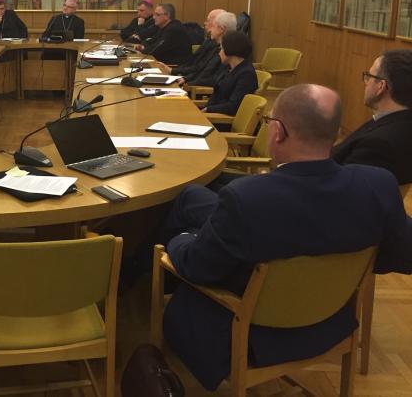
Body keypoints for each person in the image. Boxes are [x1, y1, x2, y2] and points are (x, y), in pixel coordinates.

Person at [155, 84, 412, 391]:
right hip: (331, 322)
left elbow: (197, 267)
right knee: (194, 197)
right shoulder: (379, 185)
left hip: (250, 334)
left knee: (186, 224)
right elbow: (402, 255)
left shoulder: (247, 198)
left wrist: (182, 238)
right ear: (334, 134)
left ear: (277, 132)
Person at [332, 49, 412, 185]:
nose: (366, 82)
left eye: (369, 76)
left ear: (381, 86)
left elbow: (342, 188)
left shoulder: (379, 145)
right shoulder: (396, 122)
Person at [201, 30, 257, 115]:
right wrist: (205, 108)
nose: (219, 53)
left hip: (222, 119)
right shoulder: (228, 68)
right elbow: (217, 93)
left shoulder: (246, 74)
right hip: (213, 113)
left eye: (222, 48)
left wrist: (208, 109)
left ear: (230, 49)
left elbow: (233, 106)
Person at [165, 8, 225, 76]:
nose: (205, 23)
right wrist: (175, 70)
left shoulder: (218, 46)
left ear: (220, 27)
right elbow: (193, 62)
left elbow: (201, 69)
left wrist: (175, 71)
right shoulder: (208, 41)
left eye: (208, 21)